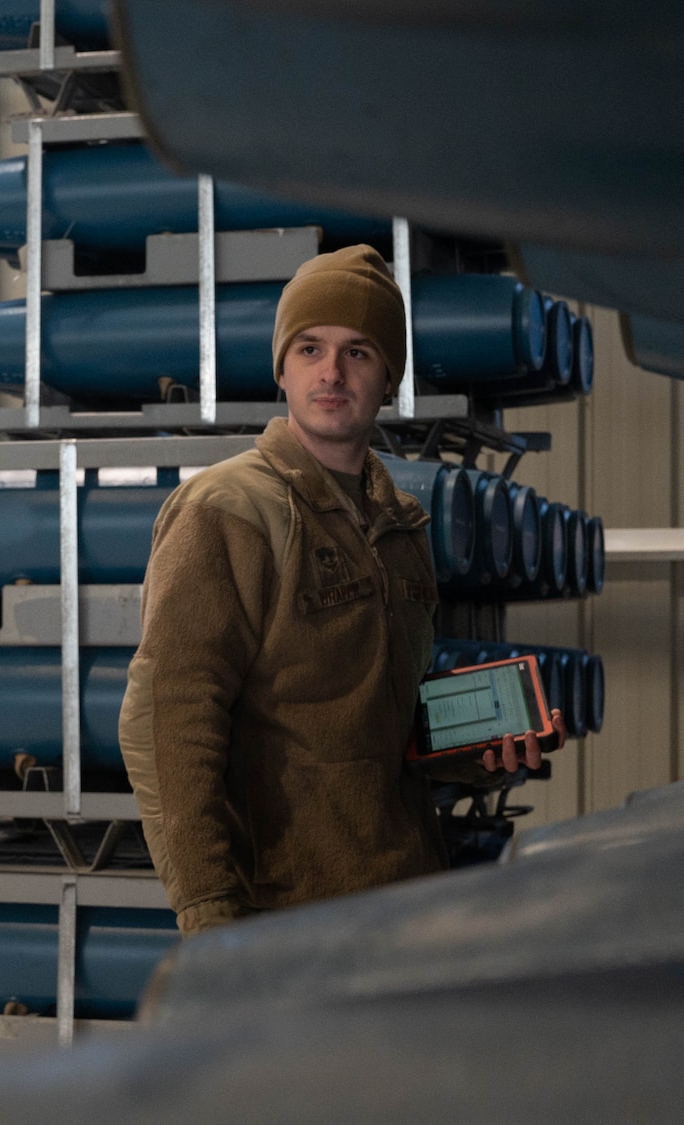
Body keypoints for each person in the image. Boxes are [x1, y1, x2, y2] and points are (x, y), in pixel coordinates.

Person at [117, 245, 564, 937]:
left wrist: (479, 752)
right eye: (309, 348)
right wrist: (207, 907)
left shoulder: (401, 525)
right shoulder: (228, 509)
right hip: (285, 915)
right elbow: (168, 717)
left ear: (388, 376)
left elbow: (383, 727)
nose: (331, 371)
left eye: (358, 351)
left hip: (402, 896)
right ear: (283, 369)